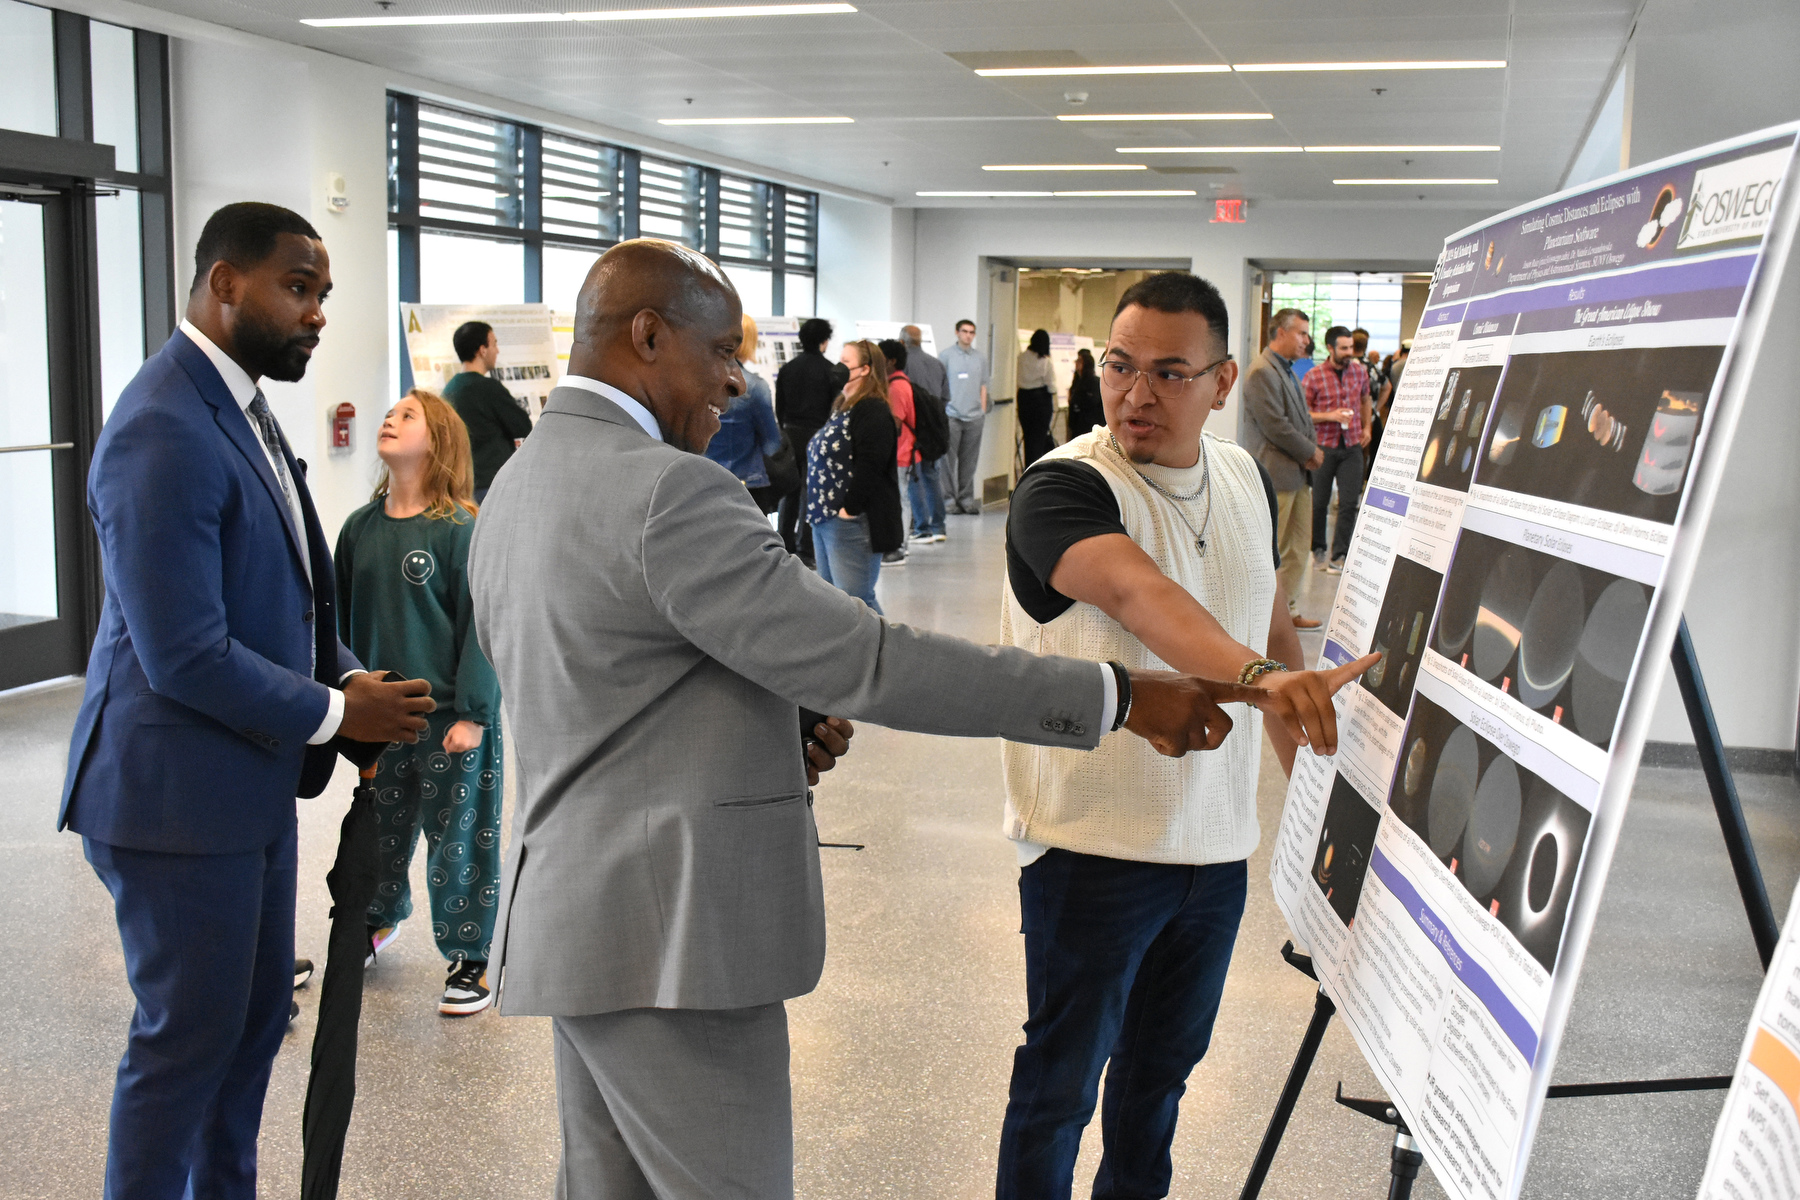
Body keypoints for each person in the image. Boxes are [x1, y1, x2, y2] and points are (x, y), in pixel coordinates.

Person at [468, 237, 1292, 1200]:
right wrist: (1119, 696)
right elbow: (872, 660)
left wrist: (763, 727)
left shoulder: (520, 480)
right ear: (647, 335)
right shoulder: (669, 490)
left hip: (580, 923)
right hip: (673, 944)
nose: (737, 385)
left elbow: (607, 693)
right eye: (725, 354)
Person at [59, 201, 433, 1200]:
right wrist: (334, 714)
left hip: (244, 787)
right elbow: (183, 654)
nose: (316, 314)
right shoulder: (161, 427)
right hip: (170, 799)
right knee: (186, 1041)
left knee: (254, 1020)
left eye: (323, 294)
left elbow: (287, 598)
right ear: (226, 284)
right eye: (297, 289)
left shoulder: (242, 405)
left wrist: (346, 674)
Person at [996, 272, 1375, 1198]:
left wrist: (1309, 793)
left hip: (1212, 859)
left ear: (1223, 381)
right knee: (1060, 1089)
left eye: (1170, 373)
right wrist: (1256, 677)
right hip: (1095, 854)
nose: (1136, 393)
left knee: (1158, 1082)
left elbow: (1271, 624)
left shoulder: (1241, 474)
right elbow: (1141, 597)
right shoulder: (1065, 488)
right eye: (1121, 366)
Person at [335, 387, 504, 1016]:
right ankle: (377, 919)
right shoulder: (359, 529)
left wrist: (475, 715)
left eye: (408, 416)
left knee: (459, 839)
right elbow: (340, 627)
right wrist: (346, 705)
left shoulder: (463, 528)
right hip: (383, 720)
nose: (390, 419)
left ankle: (472, 956)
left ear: (438, 442)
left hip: (452, 721)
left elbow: (484, 628)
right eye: (390, 412)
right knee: (379, 832)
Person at [1239, 307, 1323, 630]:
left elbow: (1301, 418)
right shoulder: (1261, 372)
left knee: (1298, 547)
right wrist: (1309, 452)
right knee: (1271, 551)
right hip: (1277, 473)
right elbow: (1276, 426)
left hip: (1297, 474)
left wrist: (1311, 451)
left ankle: (1287, 611)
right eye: (1301, 333)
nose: (1307, 340)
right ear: (1281, 333)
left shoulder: (1286, 370)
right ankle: (1265, 617)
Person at [806, 338, 904, 606]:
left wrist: (849, 509)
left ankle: (885, 649)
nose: (838, 367)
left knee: (857, 602)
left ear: (865, 369)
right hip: (825, 516)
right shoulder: (842, 405)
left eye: (846, 362)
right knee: (834, 602)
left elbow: (871, 465)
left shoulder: (872, 409)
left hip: (848, 521)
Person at [775, 316, 845, 566]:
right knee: (811, 491)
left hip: (790, 434)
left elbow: (779, 409)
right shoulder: (831, 371)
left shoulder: (787, 369)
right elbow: (834, 409)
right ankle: (807, 549)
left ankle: (783, 542)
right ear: (824, 342)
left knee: (789, 490)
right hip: (818, 436)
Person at [1303, 325, 1372, 575]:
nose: (1349, 352)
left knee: (1349, 502)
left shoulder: (1359, 372)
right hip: (1324, 446)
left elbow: (1366, 399)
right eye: (1344, 348)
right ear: (1330, 348)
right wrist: (1329, 415)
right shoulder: (1314, 376)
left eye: (1351, 347)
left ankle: (1340, 555)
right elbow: (1304, 415)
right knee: (1320, 502)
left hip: (1352, 445)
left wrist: (1367, 428)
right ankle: (1318, 549)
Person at [442, 320, 533, 503]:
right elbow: (523, 425)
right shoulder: (487, 388)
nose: (497, 350)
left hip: (462, 485)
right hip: (491, 486)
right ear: (482, 350)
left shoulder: (449, 389)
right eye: (494, 343)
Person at [705, 313, 785, 512]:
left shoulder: (699, 380)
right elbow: (772, 444)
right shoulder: (755, 387)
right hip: (746, 483)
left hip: (703, 481)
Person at [879, 336, 933, 557]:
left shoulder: (897, 387)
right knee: (902, 498)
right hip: (904, 452)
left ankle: (899, 545)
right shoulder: (899, 383)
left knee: (900, 499)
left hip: (902, 452)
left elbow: (896, 423)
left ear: (891, 361)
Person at [897, 332, 949, 546]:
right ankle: (938, 526)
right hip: (936, 427)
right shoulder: (936, 363)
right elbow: (946, 396)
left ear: (902, 341)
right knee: (932, 475)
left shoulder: (903, 366)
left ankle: (921, 528)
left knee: (913, 478)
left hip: (914, 430)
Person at [941, 318, 990, 514]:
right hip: (952, 415)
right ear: (957, 332)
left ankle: (966, 499)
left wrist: (982, 411)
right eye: (964, 331)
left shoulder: (980, 358)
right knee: (948, 462)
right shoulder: (946, 356)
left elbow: (983, 385)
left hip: (974, 417)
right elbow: (941, 385)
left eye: (971, 332)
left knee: (969, 462)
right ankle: (948, 501)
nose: (968, 335)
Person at [1017, 328, 1057, 465]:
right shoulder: (1045, 362)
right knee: (1039, 440)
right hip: (1041, 402)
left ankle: (1028, 468)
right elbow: (1051, 386)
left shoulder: (1021, 357)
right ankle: (1036, 472)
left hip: (1023, 399)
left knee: (1028, 438)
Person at [1066, 346, 1103, 437]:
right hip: (1076, 425)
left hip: (1089, 426)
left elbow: (1093, 402)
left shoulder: (1095, 382)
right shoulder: (1077, 381)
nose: (1076, 364)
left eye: (1079, 361)